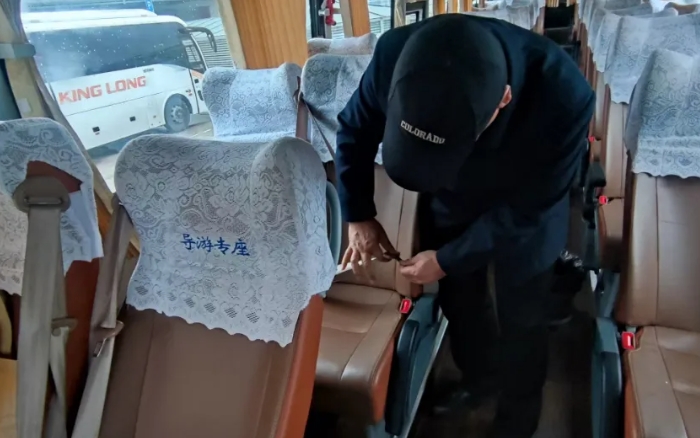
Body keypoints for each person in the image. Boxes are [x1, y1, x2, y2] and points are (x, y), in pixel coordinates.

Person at [335, 13, 594, 438]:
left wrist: (447, 258)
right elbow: (354, 129)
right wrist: (359, 214)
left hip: (526, 207)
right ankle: (479, 379)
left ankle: (517, 421)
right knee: (460, 302)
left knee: (523, 318)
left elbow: (528, 211)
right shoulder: (394, 55)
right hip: (451, 197)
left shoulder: (563, 96)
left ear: (504, 100)